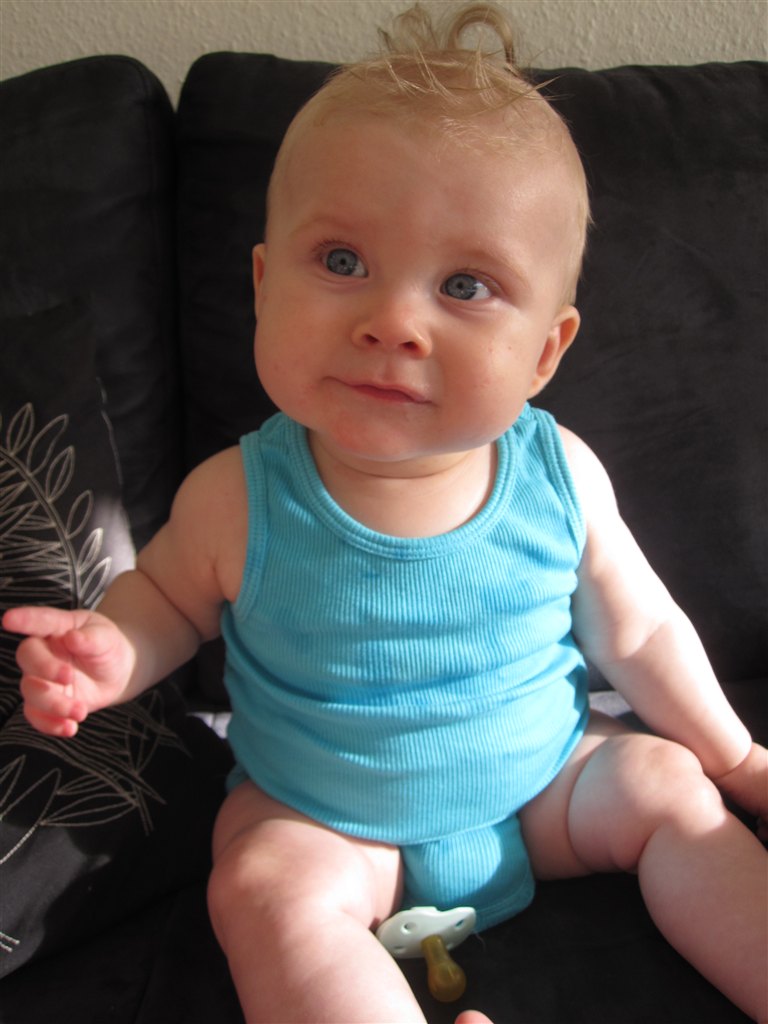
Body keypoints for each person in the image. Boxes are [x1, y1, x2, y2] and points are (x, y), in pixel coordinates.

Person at [3, 4, 766, 1022]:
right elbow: (166, 604)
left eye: (465, 284)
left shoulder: (562, 476)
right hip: (327, 820)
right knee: (260, 885)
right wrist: (110, 650)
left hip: (546, 787)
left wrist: (733, 757)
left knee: (671, 790)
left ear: (546, 352)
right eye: (342, 262)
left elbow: (642, 633)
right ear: (263, 286)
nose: (393, 322)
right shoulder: (236, 496)